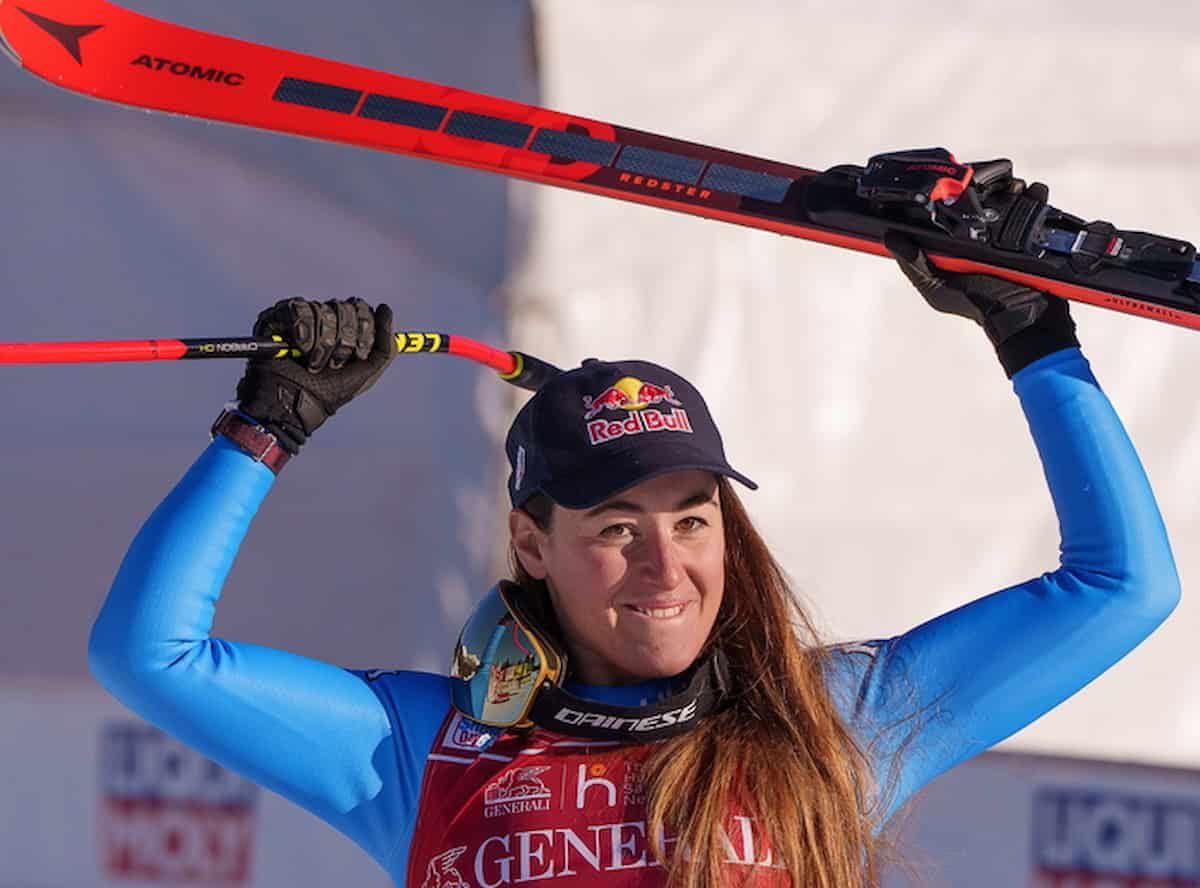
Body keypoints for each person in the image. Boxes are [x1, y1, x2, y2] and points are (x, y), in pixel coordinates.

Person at [88, 235, 1181, 888]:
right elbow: (150, 655)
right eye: (617, 527)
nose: (666, 566)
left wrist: (1033, 334)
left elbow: (1123, 585)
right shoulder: (422, 748)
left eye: (692, 519)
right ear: (531, 542)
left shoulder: (834, 721)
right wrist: (268, 427)